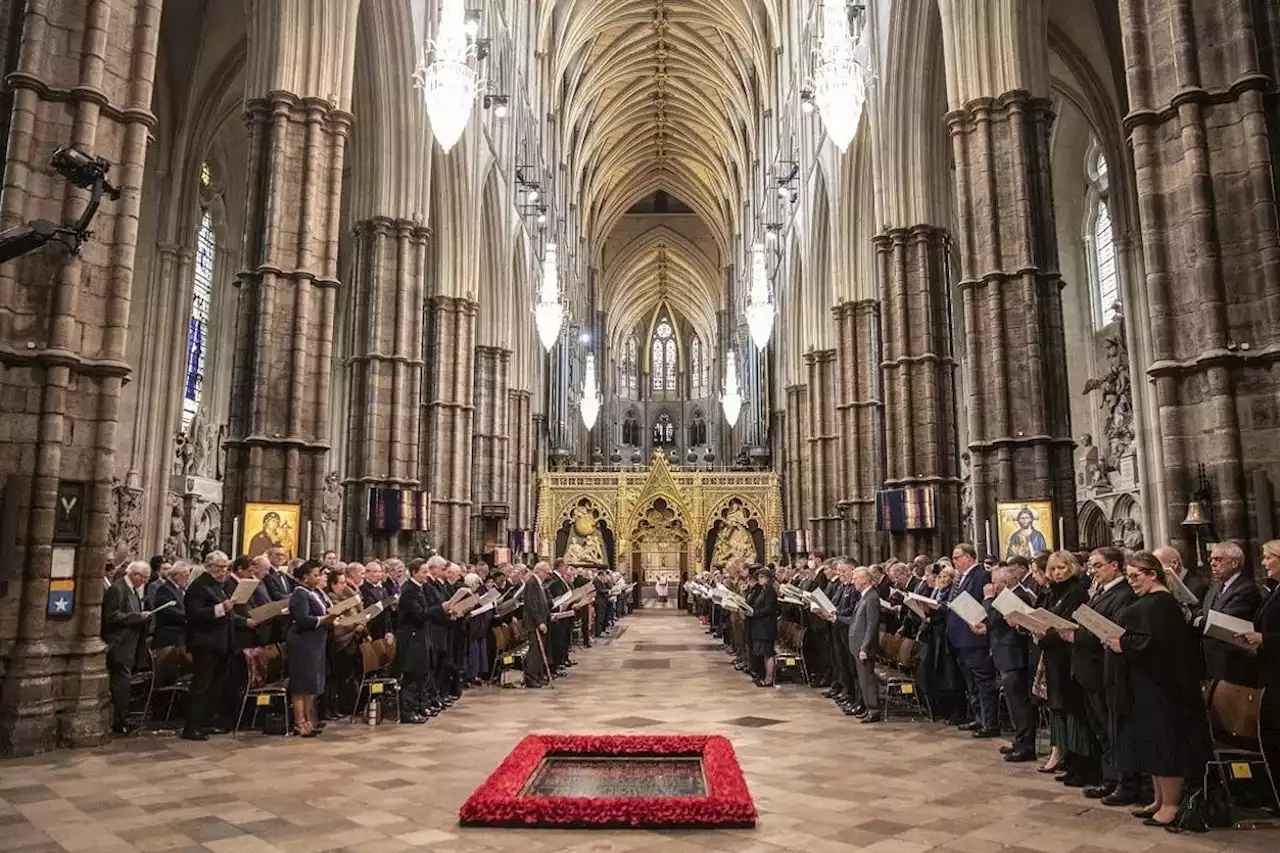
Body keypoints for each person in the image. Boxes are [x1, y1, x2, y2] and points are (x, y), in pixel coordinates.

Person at [1107, 551, 1211, 828]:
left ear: (1152, 574)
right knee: (1151, 742)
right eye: (1128, 577)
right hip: (1146, 686)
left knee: (1165, 743)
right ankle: (1159, 798)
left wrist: (1123, 644)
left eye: (1136, 576)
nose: (1131, 582)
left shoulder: (1162, 604)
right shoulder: (1151, 602)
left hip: (1162, 688)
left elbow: (1156, 646)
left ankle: (1171, 804)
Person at [1034, 550, 1096, 783]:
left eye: (1062, 567)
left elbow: (1068, 622)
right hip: (1054, 656)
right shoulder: (1052, 592)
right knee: (1058, 706)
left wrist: (1046, 630)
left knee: (1074, 708)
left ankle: (1082, 763)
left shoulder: (1077, 591)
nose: (1058, 573)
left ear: (1071, 567)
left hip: (1070, 656)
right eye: (1054, 568)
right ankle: (1068, 758)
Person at [981, 566, 1037, 762]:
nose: (991, 585)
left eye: (995, 582)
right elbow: (996, 622)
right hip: (1006, 654)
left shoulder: (1017, 596)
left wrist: (988, 598)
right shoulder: (1009, 596)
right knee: (1014, 704)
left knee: (1020, 704)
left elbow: (993, 617)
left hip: (1015, 657)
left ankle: (1026, 746)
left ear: (1005, 583)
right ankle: (1019, 741)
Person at [1242, 539, 1280, 812]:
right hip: (1269, 672)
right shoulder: (1275, 591)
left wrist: (1263, 639)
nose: (1263, 563)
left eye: (1268, 558)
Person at [947, 544, 1000, 738]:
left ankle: (989, 723)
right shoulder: (962, 578)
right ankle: (979, 718)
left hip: (975, 638)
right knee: (972, 684)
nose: (955, 561)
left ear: (969, 557)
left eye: (957, 557)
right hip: (961, 639)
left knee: (983, 683)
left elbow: (985, 605)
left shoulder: (980, 575)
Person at [182, 550, 235, 741]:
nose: (224, 571)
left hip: (221, 642)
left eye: (226, 567)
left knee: (215, 686)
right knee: (201, 686)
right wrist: (222, 609)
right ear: (209, 566)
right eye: (220, 567)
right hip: (205, 643)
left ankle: (206, 722)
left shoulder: (219, 585)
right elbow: (195, 614)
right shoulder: (199, 586)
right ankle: (192, 727)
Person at [1199, 541, 1262, 686]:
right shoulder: (1214, 588)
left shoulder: (1246, 589)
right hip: (1212, 661)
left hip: (1234, 664)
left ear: (1234, 563)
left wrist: (1198, 620)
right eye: (1211, 559)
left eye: (1218, 559)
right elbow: (1203, 611)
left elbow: (1220, 619)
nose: (1213, 564)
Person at [101, 560, 153, 734]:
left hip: (130, 644)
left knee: (124, 683)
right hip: (120, 644)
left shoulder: (132, 589)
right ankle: (120, 722)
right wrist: (137, 617)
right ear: (134, 574)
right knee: (120, 684)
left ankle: (123, 719)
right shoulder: (118, 589)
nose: (146, 581)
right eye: (144, 577)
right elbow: (111, 616)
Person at [286, 561, 335, 736]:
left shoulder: (313, 593)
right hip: (303, 642)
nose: (319, 578)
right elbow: (303, 619)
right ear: (306, 577)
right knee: (301, 683)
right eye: (316, 575)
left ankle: (309, 718)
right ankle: (299, 722)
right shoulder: (300, 594)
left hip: (315, 642)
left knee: (311, 683)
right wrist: (324, 620)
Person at [395, 559, 435, 723]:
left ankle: (417, 707)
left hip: (420, 637)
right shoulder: (409, 591)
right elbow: (420, 614)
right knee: (412, 675)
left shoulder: (419, 588)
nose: (427, 575)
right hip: (412, 639)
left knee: (420, 673)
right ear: (414, 572)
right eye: (424, 572)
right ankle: (407, 712)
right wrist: (443, 609)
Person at [746, 565, 779, 687]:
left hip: (767, 627)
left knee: (768, 653)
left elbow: (769, 609)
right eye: (759, 577)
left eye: (761, 577)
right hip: (760, 626)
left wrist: (755, 613)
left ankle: (769, 679)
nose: (759, 580)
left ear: (768, 578)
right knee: (762, 653)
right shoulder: (762, 590)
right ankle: (764, 676)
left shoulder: (770, 590)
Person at [522, 561, 553, 687]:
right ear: (539, 571)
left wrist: (548, 617)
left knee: (540, 651)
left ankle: (539, 675)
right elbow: (532, 605)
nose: (547, 575)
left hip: (541, 622)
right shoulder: (532, 583)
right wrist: (539, 622)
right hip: (534, 624)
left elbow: (542, 604)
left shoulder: (538, 583)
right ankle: (531, 678)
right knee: (534, 652)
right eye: (546, 572)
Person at [150, 562, 189, 650]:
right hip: (168, 637)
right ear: (177, 575)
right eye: (185, 575)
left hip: (179, 635)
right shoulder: (164, 589)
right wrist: (188, 616)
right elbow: (168, 610)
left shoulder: (178, 589)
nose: (187, 578)